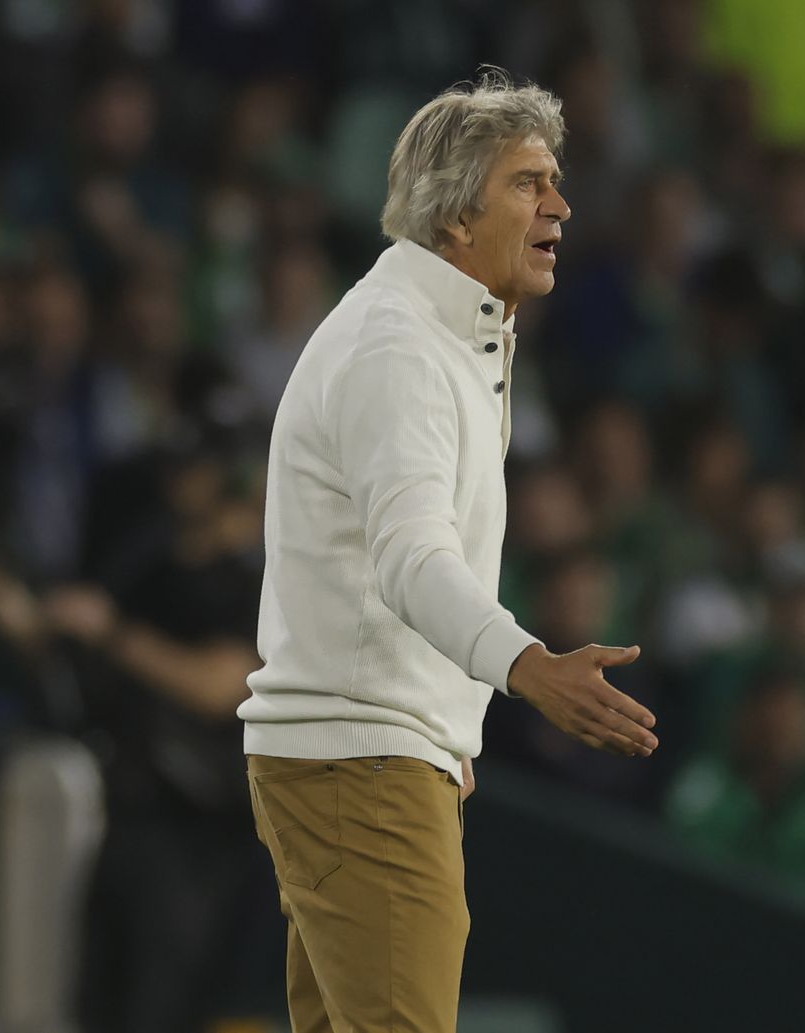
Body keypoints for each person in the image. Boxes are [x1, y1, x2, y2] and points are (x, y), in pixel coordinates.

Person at [237, 71, 659, 1033]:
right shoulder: (398, 349)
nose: (559, 205)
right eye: (527, 183)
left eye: (555, 181)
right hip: (363, 765)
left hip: (366, 755)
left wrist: (447, 720)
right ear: (456, 215)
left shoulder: (437, 335)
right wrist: (525, 666)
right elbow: (411, 557)